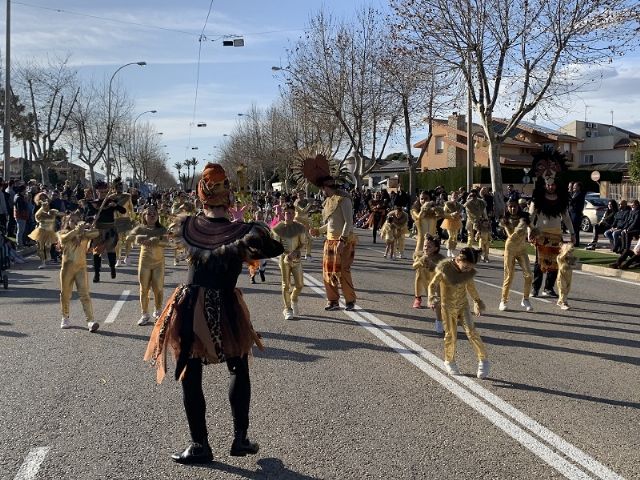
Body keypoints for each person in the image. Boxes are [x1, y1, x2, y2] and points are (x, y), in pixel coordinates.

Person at [144, 163, 283, 464]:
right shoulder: (245, 233)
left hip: (191, 305)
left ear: (201, 197)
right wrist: (258, 224)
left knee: (190, 375)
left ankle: (199, 445)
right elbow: (276, 248)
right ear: (228, 198)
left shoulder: (188, 227)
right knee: (238, 368)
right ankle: (240, 438)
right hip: (226, 306)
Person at [428, 247, 489, 379]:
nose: (468, 270)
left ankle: (483, 360)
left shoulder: (468, 271)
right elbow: (432, 284)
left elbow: (470, 287)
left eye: (470, 268)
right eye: (466, 267)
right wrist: (432, 297)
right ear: (459, 259)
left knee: (472, 332)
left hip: (463, 305)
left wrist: (477, 301)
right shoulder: (445, 269)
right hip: (447, 307)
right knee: (451, 335)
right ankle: (449, 361)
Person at [307, 159, 357, 311]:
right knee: (328, 272)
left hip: (343, 241)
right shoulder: (329, 201)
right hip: (329, 242)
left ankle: (350, 301)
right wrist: (319, 231)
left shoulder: (344, 199)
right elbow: (331, 224)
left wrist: (342, 240)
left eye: (321, 188)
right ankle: (333, 301)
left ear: (325, 187)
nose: (321, 192)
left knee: (343, 272)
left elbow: (348, 222)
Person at [528, 149, 575, 298]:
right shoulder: (537, 199)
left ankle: (548, 288)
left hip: (556, 234)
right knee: (539, 263)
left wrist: (572, 233)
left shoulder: (561, 200)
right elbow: (531, 215)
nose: (550, 186)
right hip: (541, 234)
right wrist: (530, 231)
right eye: (548, 184)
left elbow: (566, 218)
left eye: (553, 184)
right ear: (544, 184)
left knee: (555, 263)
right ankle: (535, 288)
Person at [58, 211, 100, 332]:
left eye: (78, 221)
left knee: (85, 294)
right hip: (67, 269)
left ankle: (90, 321)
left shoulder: (84, 234)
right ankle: (65, 317)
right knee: (65, 294)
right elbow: (65, 238)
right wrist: (77, 230)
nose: (76, 223)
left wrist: (90, 225)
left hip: (81, 268)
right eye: (72, 221)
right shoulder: (63, 233)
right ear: (67, 222)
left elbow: (96, 233)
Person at [129, 205, 169, 326]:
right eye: (149, 214)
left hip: (158, 263)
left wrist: (156, 241)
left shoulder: (162, 229)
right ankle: (144, 314)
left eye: (154, 214)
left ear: (157, 216)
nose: (152, 216)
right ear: (144, 216)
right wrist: (138, 238)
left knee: (158, 287)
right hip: (144, 263)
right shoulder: (140, 228)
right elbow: (129, 237)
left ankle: (157, 311)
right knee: (144, 289)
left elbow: (167, 243)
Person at [86, 181, 127, 283]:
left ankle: (112, 267)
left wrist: (116, 206)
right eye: (101, 192)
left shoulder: (110, 202)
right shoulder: (93, 204)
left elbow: (123, 211)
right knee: (96, 252)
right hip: (98, 230)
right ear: (97, 191)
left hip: (110, 230)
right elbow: (86, 217)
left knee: (111, 250)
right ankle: (97, 273)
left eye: (105, 192)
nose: (103, 194)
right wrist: (92, 217)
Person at [271, 203, 307, 320]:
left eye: (291, 213)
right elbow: (275, 247)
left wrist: (296, 252)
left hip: (296, 259)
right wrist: (285, 255)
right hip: (284, 260)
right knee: (286, 285)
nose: (289, 215)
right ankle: (287, 309)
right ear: (283, 214)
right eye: (287, 213)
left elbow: (303, 244)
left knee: (300, 285)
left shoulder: (300, 228)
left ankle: (293, 298)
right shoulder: (278, 228)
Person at [499, 199, 533, 312]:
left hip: (522, 249)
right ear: (507, 208)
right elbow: (511, 235)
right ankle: (503, 300)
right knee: (509, 275)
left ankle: (526, 298)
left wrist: (534, 234)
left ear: (518, 207)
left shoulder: (525, 218)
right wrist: (520, 229)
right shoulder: (505, 220)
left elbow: (533, 229)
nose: (513, 209)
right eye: (510, 206)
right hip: (510, 248)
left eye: (515, 206)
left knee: (529, 275)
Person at [412, 234, 445, 332]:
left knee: (438, 303)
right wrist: (422, 260)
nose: (426, 248)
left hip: (438, 283)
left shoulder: (440, 258)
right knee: (434, 303)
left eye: (429, 246)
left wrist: (432, 264)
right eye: (425, 246)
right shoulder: (420, 255)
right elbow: (414, 266)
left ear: (435, 248)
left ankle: (439, 323)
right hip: (427, 283)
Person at [28, 193, 62, 269]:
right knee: (40, 247)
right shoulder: (37, 207)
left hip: (50, 228)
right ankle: (43, 262)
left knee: (48, 246)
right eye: (41, 198)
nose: (43, 200)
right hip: (41, 228)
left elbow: (57, 214)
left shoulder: (52, 206)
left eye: (44, 198)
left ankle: (51, 257)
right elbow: (35, 216)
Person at [441, 191, 464, 257]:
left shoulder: (459, 205)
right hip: (449, 221)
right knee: (451, 236)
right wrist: (451, 214)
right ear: (451, 196)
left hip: (456, 222)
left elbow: (461, 213)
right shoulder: (447, 204)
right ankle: (449, 249)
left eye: (456, 196)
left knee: (455, 237)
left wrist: (460, 215)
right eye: (454, 196)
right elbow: (444, 213)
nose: (455, 197)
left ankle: (453, 250)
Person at [555, 242, 576, 310]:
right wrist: (566, 252)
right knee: (562, 288)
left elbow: (575, 264)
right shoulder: (559, 257)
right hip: (561, 275)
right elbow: (561, 259)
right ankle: (563, 303)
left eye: (571, 252)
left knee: (567, 289)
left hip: (569, 276)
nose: (570, 253)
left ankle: (560, 301)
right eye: (569, 252)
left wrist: (573, 261)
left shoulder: (570, 258)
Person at [568, 182, 586, 246]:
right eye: (573, 186)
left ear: (579, 187)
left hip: (576, 213)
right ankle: (573, 241)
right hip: (571, 212)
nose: (573, 187)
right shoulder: (574, 193)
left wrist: (569, 195)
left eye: (575, 186)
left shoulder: (580, 194)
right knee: (572, 227)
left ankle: (576, 242)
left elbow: (572, 201)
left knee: (575, 228)